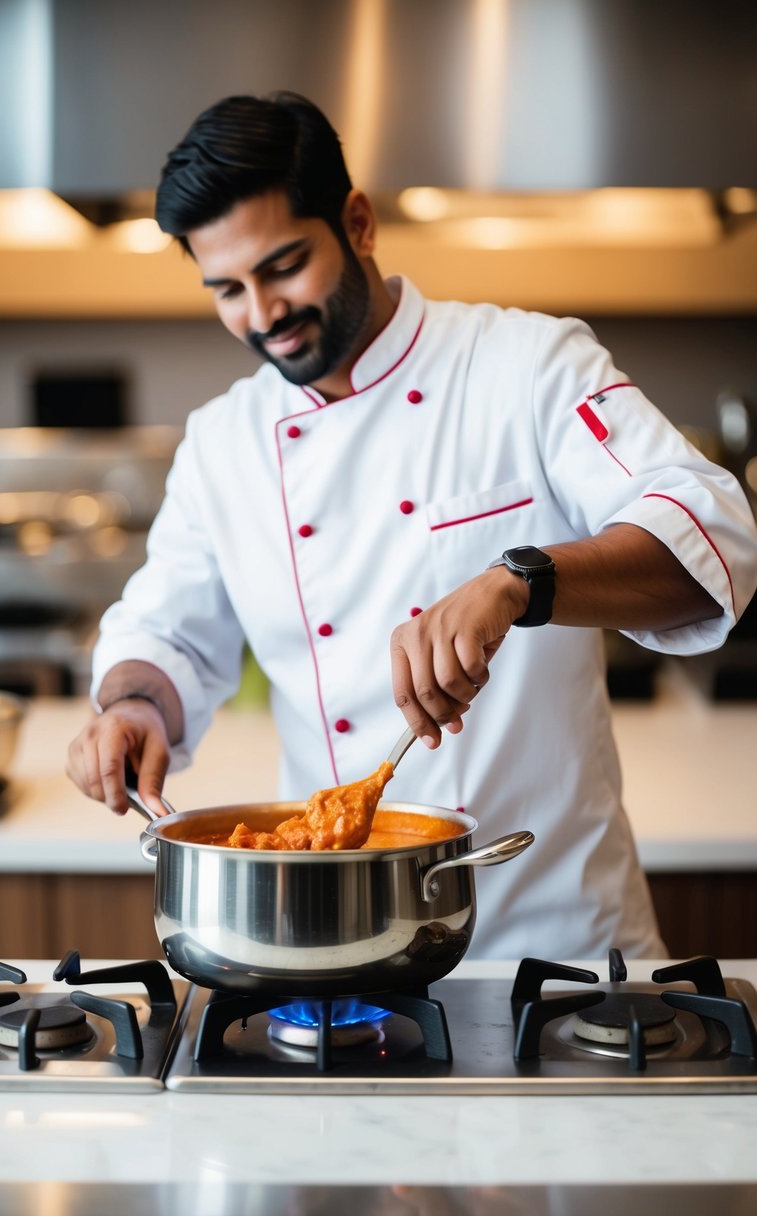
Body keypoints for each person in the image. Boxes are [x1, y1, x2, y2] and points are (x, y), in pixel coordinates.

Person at [67, 92, 757, 960]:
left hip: (556, 940)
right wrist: (133, 706)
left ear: (356, 223)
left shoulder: (525, 366)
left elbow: (713, 529)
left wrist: (522, 580)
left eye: (282, 267)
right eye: (227, 290)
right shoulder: (223, 442)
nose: (262, 314)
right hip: (337, 945)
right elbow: (166, 628)